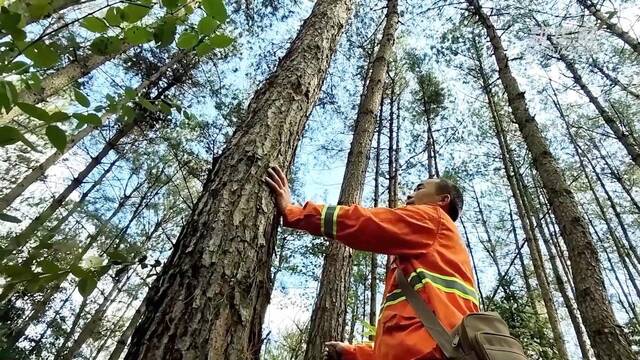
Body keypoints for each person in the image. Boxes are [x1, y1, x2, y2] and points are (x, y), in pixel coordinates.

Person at [264, 165, 479, 360]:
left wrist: (295, 212)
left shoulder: (433, 218)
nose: (410, 194)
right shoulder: (434, 253)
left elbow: (364, 222)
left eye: (419, 188)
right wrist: (354, 353)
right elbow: (404, 340)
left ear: (442, 200)